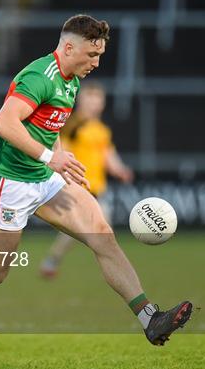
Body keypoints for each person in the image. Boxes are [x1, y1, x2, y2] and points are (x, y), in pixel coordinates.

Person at [0, 14, 192, 345]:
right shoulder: (40, 76)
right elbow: (3, 123)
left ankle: (150, 318)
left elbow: (50, 127)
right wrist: (51, 158)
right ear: (68, 47)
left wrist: (60, 164)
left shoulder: (72, 80)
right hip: (8, 184)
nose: (96, 63)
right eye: (92, 55)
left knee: (103, 237)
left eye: (100, 56)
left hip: (46, 180)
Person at [39, 80, 134, 279]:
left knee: (84, 230)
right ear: (81, 100)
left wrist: (120, 169)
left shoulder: (102, 130)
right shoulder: (73, 125)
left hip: (99, 187)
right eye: (90, 98)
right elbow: (60, 150)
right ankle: (115, 271)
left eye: (98, 99)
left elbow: (108, 155)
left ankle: (53, 260)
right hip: (78, 185)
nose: (94, 103)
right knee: (101, 231)